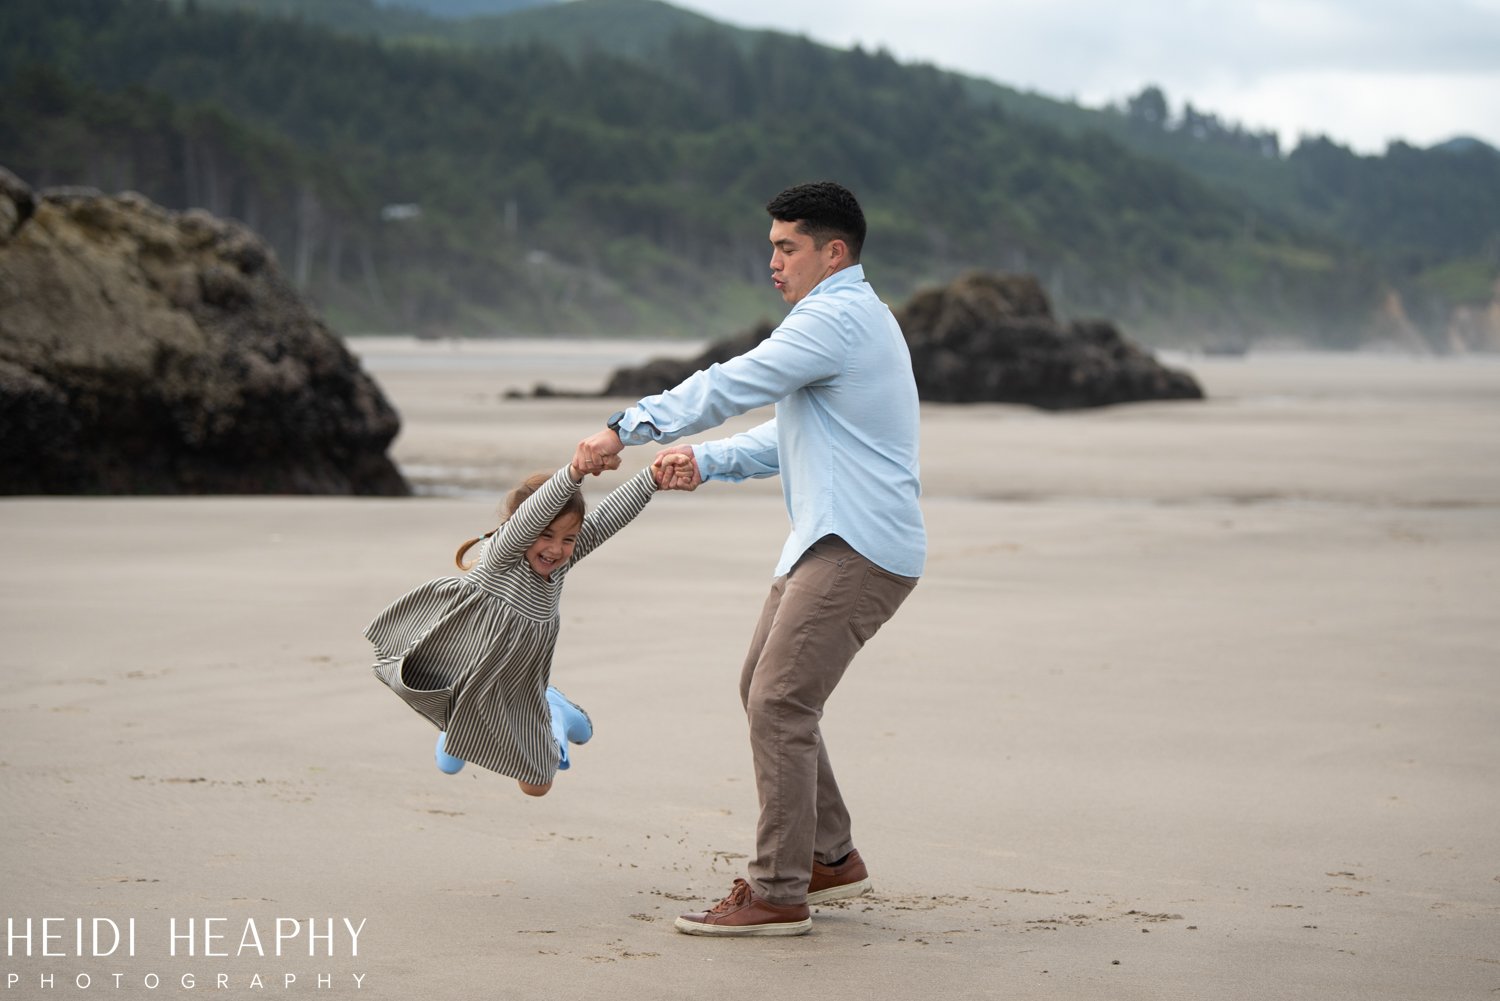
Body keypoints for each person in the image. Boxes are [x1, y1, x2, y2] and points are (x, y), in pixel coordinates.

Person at [574, 181, 925, 935]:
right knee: (764, 689)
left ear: (834, 252)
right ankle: (829, 855)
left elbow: (732, 383)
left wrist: (626, 426)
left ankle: (778, 889)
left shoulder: (835, 319)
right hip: (836, 539)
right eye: (771, 245)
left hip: (858, 545)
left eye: (786, 246)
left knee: (779, 701)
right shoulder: (852, 321)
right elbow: (793, 436)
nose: (772, 260)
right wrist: (706, 461)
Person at [364, 452, 665, 797]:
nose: (556, 549)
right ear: (521, 527)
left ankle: (555, 709)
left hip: (519, 678)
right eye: (546, 535)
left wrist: (651, 479)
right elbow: (533, 516)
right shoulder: (502, 554)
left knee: (537, 785)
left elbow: (607, 519)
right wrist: (574, 472)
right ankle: (458, 725)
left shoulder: (558, 565)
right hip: (463, 666)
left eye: (568, 539)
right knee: (447, 761)